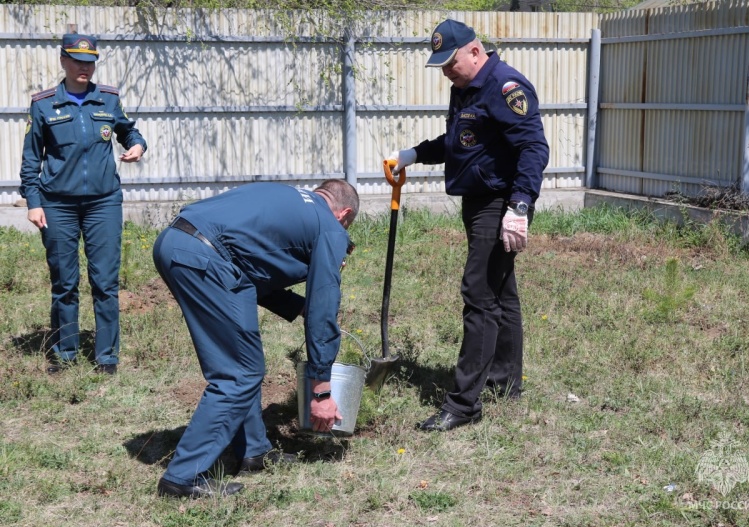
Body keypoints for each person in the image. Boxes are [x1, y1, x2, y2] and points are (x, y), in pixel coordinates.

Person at [387, 19, 549, 431]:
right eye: (440, 65)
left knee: (477, 293)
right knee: (500, 292)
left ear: (475, 52)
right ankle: (505, 384)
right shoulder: (466, 90)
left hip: (500, 202)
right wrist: (414, 154)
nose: (445, 72)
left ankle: (463, 405)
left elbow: (533, 147)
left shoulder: (506, 87)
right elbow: (460, 142)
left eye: (450, 63)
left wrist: (519, 205)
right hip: (479, 202)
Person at [152, 179, 359, 498]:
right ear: (343, 214)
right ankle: (182, 477)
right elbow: (324, 307)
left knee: (246, 364)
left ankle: (254, 451)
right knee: (238, 374)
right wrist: (320, 391)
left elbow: (255, 266)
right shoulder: (331, 228)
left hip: (179, 243)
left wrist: (297, 305)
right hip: (205, 257)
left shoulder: (290, 197)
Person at [19, 33, 147, 375]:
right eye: (77, 60)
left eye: (89, 62)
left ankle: (107, 357)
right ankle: (65, 354)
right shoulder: (44, 104)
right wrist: (34, 202)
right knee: (64, 282)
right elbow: (31, 159)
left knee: (105, 281)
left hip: (103, 203)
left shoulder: (107, 100)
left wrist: (137, 145)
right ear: (63, 60)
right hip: (57, 204)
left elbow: (128, 131)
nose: (84, 67)